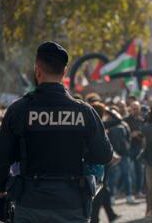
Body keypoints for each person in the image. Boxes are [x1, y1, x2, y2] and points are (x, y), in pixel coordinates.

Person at [0, 41, 113, 222]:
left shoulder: (18, 110)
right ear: (64, 72)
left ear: (37, 70)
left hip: (29, 204)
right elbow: (104, 155)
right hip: (72, 204)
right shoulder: (84, 112)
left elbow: (3, 157)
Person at [124, 101, 145, 199]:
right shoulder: (126, 120)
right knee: (128, 171)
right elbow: (123, 135)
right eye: (133, 108)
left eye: (137, 108)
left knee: (139, 171)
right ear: (130, 109)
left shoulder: (142, 120)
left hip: (139, 147)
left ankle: (138, 191)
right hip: (129, 147)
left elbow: (145, 134)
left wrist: (139, 134)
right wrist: (131, 135)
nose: (135, 110)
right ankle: (128, 192)